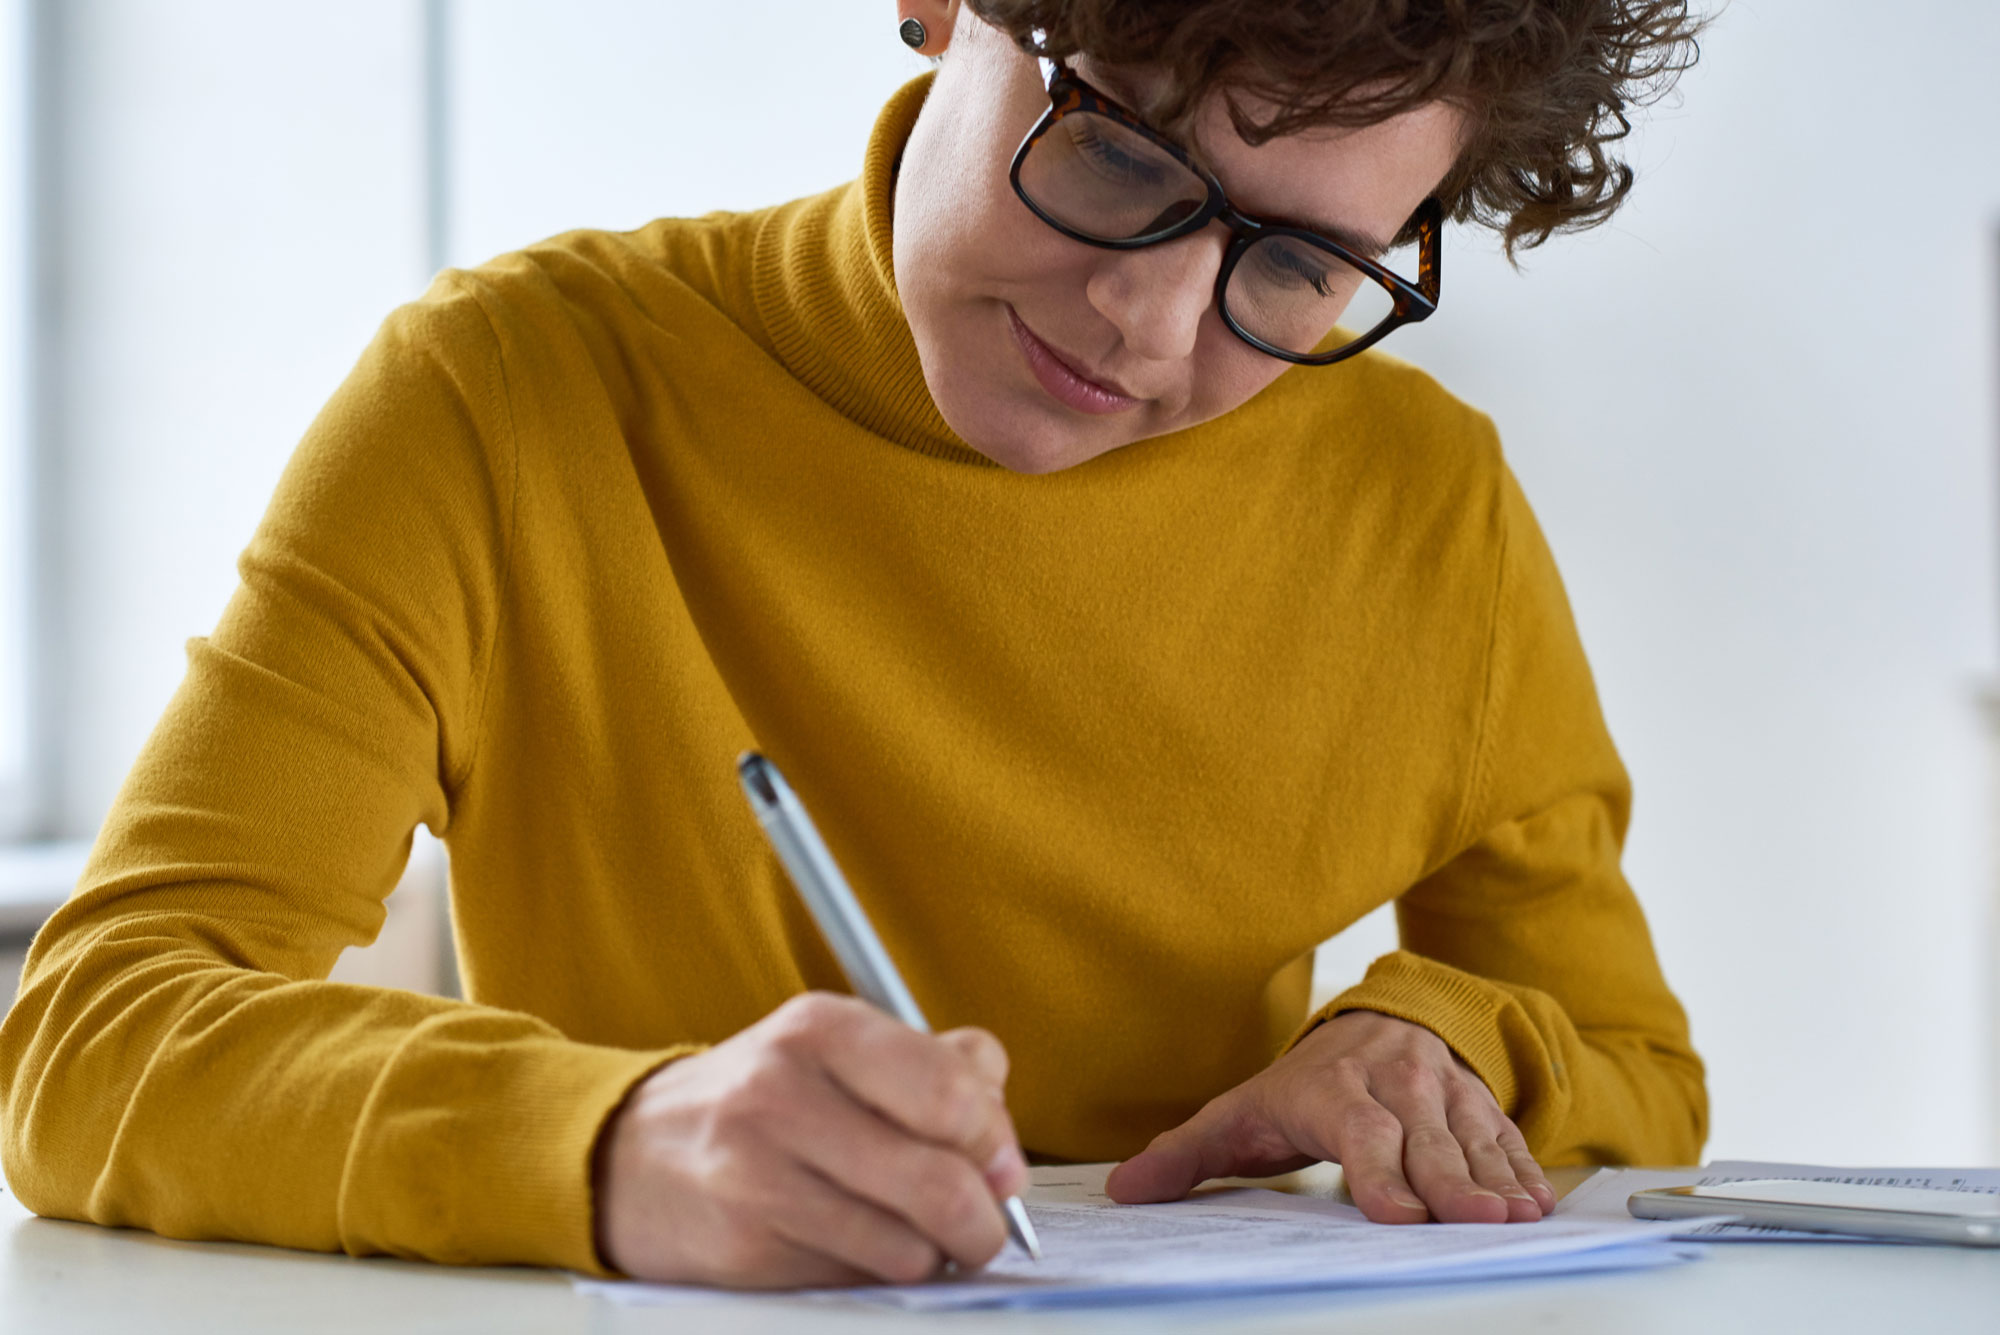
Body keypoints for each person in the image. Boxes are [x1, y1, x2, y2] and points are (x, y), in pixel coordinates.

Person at [0, 0, 1708, 1291]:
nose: (1154, 322)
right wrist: (604, 1146)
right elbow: (97, 1038)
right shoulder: (509, 398)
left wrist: (1440, 1050)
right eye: (1119, 156)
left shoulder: (1426, 504)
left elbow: (1636, 1072)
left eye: (1305, 268)